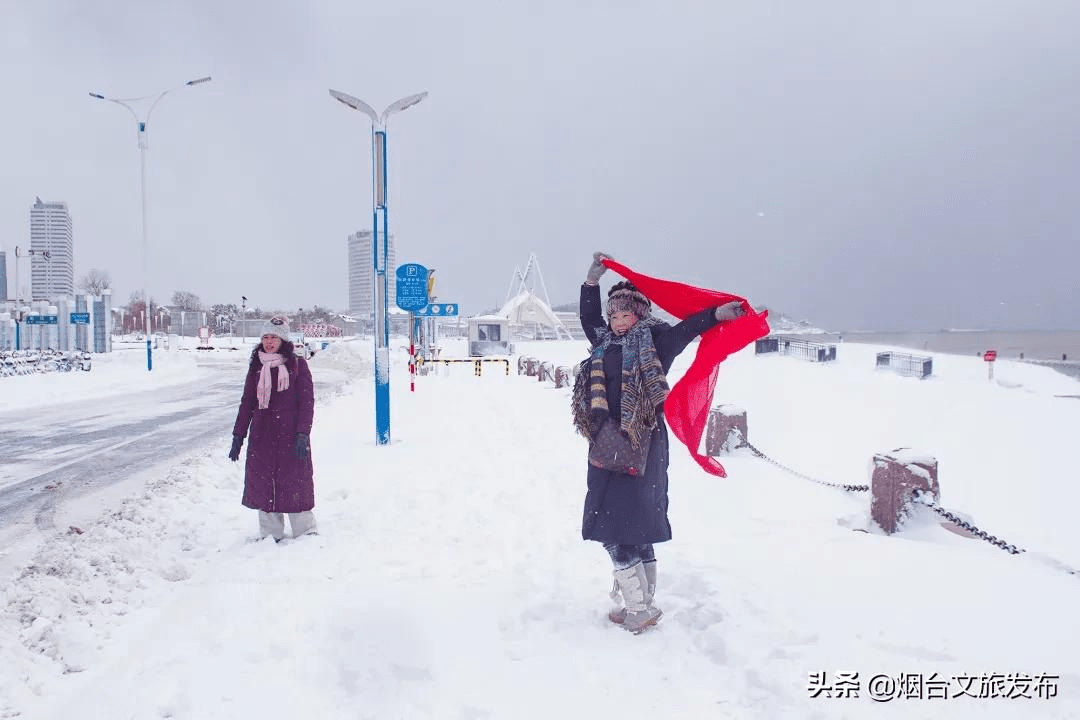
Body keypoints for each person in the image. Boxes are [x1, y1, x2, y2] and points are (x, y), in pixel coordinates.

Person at [573, 252, 746, 634]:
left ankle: (638, 608)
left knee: (616, 526)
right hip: (607, 444)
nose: (617, 322)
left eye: (625, 315)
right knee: (631, 523)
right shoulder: (603, 342)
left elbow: (688, 329)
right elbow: (589, 318)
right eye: (614, 315)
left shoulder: (655, 342)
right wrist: (590, 283)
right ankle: (643, 604)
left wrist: (718, 316)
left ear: (640, 315)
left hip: (641, 442)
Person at [228, 315, 317, 541]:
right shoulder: (256, 365)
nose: (269, 342)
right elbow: (247, 401)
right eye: (265, 337)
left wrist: (302, 433)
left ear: (283, 340)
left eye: (274, 338)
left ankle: (306, 532)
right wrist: (238, 435)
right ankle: (270, 534)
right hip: (262, 434)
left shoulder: (297, 365)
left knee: (295, 481)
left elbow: (307, 403)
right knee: (264, 482)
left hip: (291, 435)